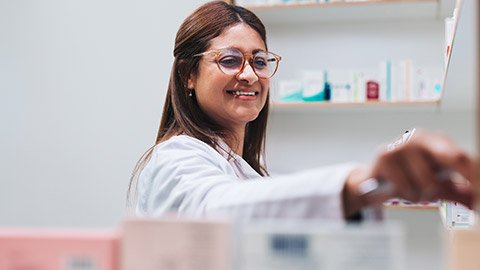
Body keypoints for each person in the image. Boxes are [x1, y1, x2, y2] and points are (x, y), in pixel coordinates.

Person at [128, 1, 475, 220]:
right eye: (229, 60)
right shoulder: (174, 159)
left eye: (260, 61)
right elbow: (218, 210)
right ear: (188, 74)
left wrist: (375, 192)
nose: (249, 75)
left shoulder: (247, 172)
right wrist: (356, 182)